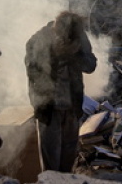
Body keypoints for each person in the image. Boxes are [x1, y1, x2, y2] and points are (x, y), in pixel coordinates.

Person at [25, 11, 97, 172]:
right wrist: (55, 55)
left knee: (68, 160)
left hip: (72, 107)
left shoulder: (79, 37)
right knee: (51, 165)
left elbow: (91, 65)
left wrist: (75, 55)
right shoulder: (38, 40)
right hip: (49, 109)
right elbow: (34, 73)